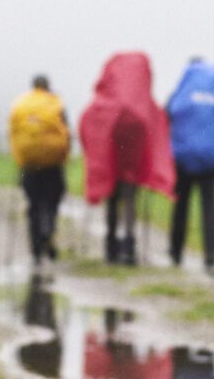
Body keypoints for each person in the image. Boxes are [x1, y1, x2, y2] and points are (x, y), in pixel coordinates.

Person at [79, 53, 176, 265]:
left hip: (112, 145)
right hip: (135, 144)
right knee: (130, 195)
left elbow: (87, 128)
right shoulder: (146, 108)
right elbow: (160, 132)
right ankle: (129, 245)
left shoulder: (103, 105)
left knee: (112, 195)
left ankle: (111, 245)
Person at [165, 57, 214, 272]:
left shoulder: (184, 87)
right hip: (210, 158)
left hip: (183, 156)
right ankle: (211, 256)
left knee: (181, 203)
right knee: (209, 204)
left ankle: (176, 253)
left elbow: (169, 112)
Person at [9, 75, 71, 264]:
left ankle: (36, 249)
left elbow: (14, 133)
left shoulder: (21, 104)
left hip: (29, 165)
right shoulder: (55, 103)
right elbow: (66, 132)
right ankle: (48, 231)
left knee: (34, 204)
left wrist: (20, 159)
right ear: (48, 86)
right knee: (52, 202)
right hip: (53, 164)